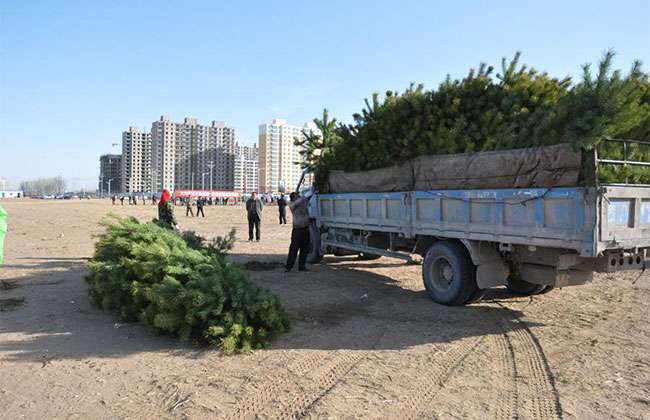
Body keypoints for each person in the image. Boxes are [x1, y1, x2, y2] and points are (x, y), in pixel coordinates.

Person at [285, 192, 311, 272]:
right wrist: (303, 197)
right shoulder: (292, 205)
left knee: (304, 249)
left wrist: (313, 192)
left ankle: (302, 266)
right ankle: (288, 267)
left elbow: (307, 199)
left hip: (305, 228)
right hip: (297, 230)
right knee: (294, 249)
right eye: (297, 196)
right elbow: (299, 200)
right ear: (293, 198)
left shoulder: (303, 203)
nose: (299, 197)